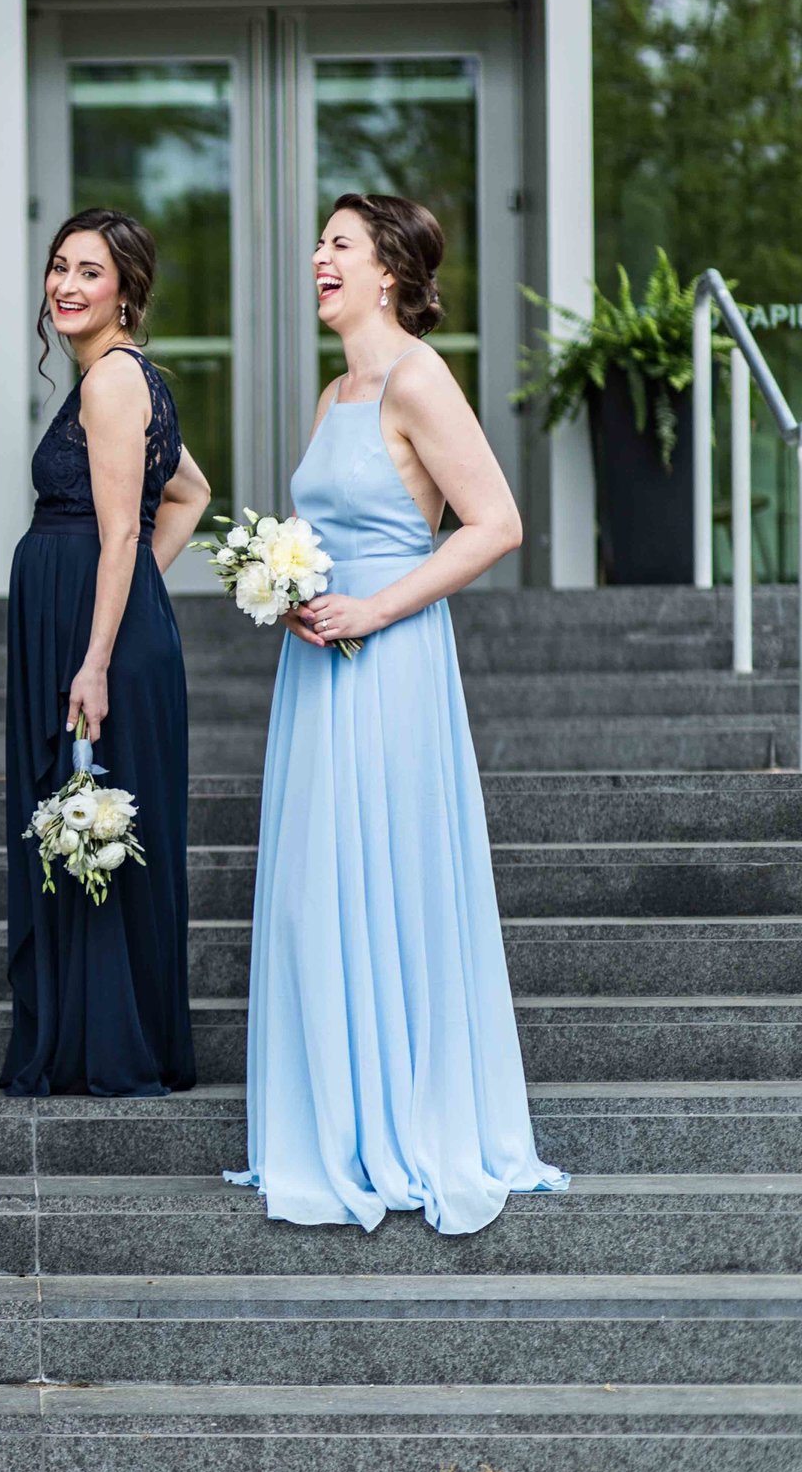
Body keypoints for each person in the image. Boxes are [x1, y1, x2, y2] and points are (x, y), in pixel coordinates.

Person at [229, 193, 566, 1235]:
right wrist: (288, 588)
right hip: (321, 667)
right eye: (318, 244)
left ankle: (407, 1118)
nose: (317, 259)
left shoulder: (419, 376)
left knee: (387, 875)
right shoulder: (336, 392)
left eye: (338, 244)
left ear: (386, 271)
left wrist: (373, 603)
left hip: (393, 658)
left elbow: (495, 522)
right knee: (314, 889)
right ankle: (331, 1113)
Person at [0, 210, 211, 1100]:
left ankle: (109, 1049)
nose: (67, 286)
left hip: (93, 643)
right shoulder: (118, 377)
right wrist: (131, 602)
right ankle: (105, 1038)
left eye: (90, 272)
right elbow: (191, 492)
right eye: (58, 268)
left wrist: (96, 650)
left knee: (95, 829)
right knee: (92, 829)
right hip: (99, 623)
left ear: (126, 291)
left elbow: (126, 526)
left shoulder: (113, 380)